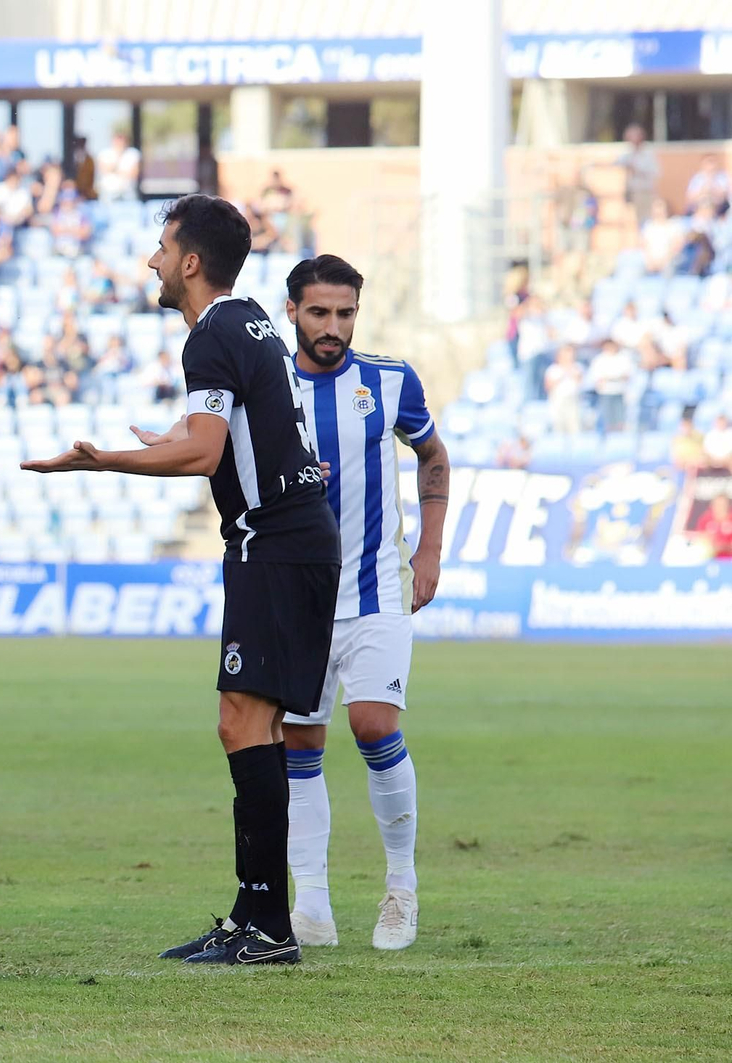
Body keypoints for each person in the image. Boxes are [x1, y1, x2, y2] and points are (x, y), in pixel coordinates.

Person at [22, 194, 340, 965]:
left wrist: (104, 461)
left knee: (242, 723)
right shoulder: (250, 319)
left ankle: (266, 924)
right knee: (255, 726)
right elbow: (232, 430)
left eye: (163, 248)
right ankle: (257, 917)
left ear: (191, 261)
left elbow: (202, 453)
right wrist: (170, 437)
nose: (154, 261)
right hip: (289, 540)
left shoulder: (212, 333)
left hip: (276, 543)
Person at [273, 255, 448, 952]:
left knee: (374, 725)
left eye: (345, 313)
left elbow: (433, 456)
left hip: (377, 591)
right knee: (301, 743)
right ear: (293, 312)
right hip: (296, 599)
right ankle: (311, 902)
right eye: (319, 312)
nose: (334, 327)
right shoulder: (269, 384)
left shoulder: (390, 380)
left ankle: (400, 888)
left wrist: (430, 550)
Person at [617, 124, 659, 228]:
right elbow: (616, 165)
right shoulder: (627, 154)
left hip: (643, 191)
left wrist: (637, 170)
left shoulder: (648, 154)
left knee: (644, 220)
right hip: (629, 192)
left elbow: (656, 172)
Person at [696, 495, 732, 559]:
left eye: (723, 505)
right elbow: (701, 539)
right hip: (710, 558)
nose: (720, 507)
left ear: (727, 506)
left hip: (729, 559)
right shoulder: (706, 519)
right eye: (717, 504)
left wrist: (722, 547)